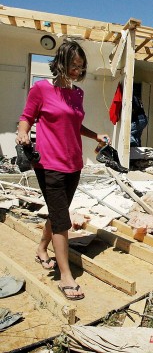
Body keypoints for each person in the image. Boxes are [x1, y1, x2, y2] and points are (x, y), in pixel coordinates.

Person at [15, 39, 110, 300]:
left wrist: (96, 135)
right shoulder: (41, 89)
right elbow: (27, 118)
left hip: (73, 163)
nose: (77, 72)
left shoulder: (78, 93)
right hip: (49, 164)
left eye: (81, 67)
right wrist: (22, 133)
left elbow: (75, 124)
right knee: (61, 220)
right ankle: (65, 276)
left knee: (59, 213)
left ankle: (41, 249)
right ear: (60, 63)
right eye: (73, 66)